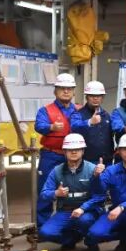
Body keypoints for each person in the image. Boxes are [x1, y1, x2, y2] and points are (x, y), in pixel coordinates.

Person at [34, 73, 86, 226]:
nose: (66, 91)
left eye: (69, 89)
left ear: (74, 91)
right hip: (51, 155)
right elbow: (39, 125)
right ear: (55, 91)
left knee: (76, 189)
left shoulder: (79, 110)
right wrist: (51, 127)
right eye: (62, 88)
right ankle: (43, 226)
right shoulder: (45, 110)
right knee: (45, 189)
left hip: (74, 156)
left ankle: (72, 225)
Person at [37, 133, 105, 250]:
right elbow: (44, 194)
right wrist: (56, 193)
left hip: (87, 212)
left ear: (83, 151)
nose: (73, 152)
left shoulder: (93, 169)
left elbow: (100, 196)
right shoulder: (57, 171)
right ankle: (71, 238)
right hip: (66, 211)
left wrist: (97, 177)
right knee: (45, 233)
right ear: (64, 152)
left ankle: (90, 241)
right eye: (70, 150)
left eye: (77, 149)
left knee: (85, 221)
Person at [75, 81, 113, 167]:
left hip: (107, 161)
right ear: (86, 97)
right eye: (92, 96)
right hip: (87, 162)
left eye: (98, 96)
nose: (95, 98)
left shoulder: (106, 115)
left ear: (102, 98)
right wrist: (89, 122)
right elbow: (74, 127)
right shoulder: (78, 114)